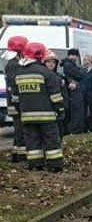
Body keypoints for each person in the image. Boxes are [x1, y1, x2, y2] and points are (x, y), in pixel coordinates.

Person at [16, 42, 65, 171]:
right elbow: (55, 95)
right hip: (46, 116)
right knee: (51, 140)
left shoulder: (19, 72)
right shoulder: (45, 72)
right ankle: (55, 166)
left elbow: (15, 96)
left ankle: (35, 164)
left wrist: (19, 109)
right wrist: (60, 110)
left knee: (32, 142)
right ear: (40, 55)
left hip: (27, 116)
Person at [4, 35, 28, 162]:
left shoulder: (12, 64)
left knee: (19, 129)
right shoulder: (14, 65)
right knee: (20, 130)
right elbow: (14, 85)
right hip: (16, 103)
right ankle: (21, 156)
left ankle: (15, 154)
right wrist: (18, 102)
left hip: (14, 102)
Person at [43, 51, 68, 138]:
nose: (51, 64)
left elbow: (63, 94)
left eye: (53, 62)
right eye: (48, 62)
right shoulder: (42, 76)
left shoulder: (59, 77)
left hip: (57, 109)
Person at [60, 49, 85, 134]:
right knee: (76, 111)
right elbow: (79, 75)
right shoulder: (69, 65)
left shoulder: (67, 64)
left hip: (70, 91)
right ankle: (75, 130)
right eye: (75, 56)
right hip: (73, 91)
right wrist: (81, 69)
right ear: (72, 55)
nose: (76, 58)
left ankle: (73, 129)